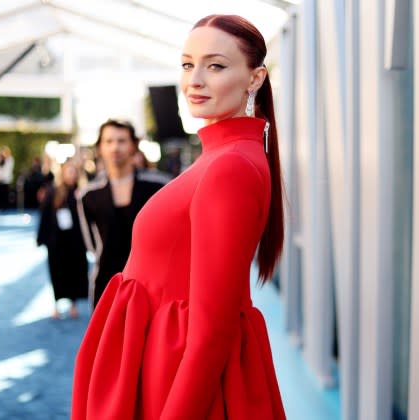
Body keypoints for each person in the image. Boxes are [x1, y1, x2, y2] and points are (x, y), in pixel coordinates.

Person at [72, 14, 286, 420]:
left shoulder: (231, 167)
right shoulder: (222, 158)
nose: (195, 80)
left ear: (255, 79)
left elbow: (212, 332)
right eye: (188, 64)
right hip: (158, 365)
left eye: (216, 65)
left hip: (169, 379)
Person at [76, 118, 167, 307]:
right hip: (107, 283)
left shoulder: (158, 187)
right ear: (100, 147)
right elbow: (92, 245)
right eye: (109, 141)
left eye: (121, 140)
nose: (115, 147)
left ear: (133, 145)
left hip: (151, 283)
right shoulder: (88, 195)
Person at [36, 160, 89, 319]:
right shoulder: (53, 191)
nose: (71, 175)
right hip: (57, 240)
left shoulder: (81, 192)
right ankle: (56, 304)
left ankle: (73, 303)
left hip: (75, 240)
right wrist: (41, 238)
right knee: (57, 271)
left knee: (75, 271)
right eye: (68, 171)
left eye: (74, 172)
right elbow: (45, 215)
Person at [0, 146, 14, 211]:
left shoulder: (10, 160)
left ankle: (5, 208)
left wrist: (1, 177)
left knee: (5, 196)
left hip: (5, 181)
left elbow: (7, 171)